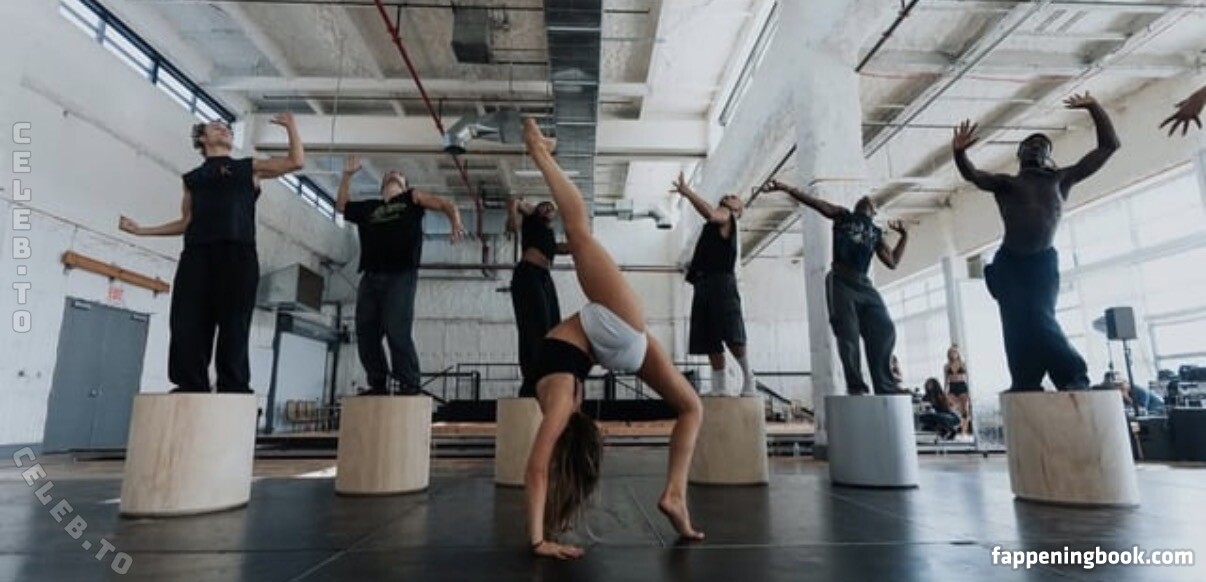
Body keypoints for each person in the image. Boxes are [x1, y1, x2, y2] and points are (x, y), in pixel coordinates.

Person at [520, 118, 704, 560]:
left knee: (692, 407)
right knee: (579, 231)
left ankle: (675, 496)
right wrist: (537, 540)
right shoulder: (556, 401)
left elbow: (541, 467)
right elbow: (537, 468)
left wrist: (540, 536)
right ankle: (538, 151)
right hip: (609, 331)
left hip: (612, 344)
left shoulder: (560, 403)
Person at [119, 114, 304, 393]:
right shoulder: (192, 179)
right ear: (202, 139)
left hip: (238, 254)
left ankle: (234, 386)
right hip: (197, 255)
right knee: (187, 321)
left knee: (234, 323)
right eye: (216, 127)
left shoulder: (247, 167)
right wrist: (142, 231)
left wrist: (291, 127)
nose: (224, 130)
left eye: (228, 128)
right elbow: (186, 222)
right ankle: (190, 384)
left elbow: (295, 162)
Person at [953, 92, 1119, 391]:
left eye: (1042, 145)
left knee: (1040, 318)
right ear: (1020, 155)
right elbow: (974, 176)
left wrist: (1094, 107)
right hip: (1010, 263)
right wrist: (959, 154)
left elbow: (1109, 146)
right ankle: (1025, 379)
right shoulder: (1007, 184)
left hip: (1041, 262)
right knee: (1015, 323)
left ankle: (1072, 375)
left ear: (1048, 156)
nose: (1036, 147)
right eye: (1030, 144)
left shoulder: (1061, 179)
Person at [759, 180, 909, 395]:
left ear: (874, 211)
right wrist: (787, 188)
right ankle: (856, 386)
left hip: (863, 283)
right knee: (848, 336)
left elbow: (893, 262)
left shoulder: (875, 233)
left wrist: (904, 236)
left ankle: (885, 385)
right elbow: (816, 203)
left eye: (870, 202)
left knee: (884, 328)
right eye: (864, 200)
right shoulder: (843, 215)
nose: (866, 200)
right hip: (841, 279)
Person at [336, 155, 466, 396]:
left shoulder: (411, 198)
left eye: (399, 174)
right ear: (381, 185)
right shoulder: (369, 207)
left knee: (396, 329)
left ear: (405, 186)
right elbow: (342, 207)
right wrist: (346, 176)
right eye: (389, 173)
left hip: (400, 275)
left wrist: (455, 222)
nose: (394, 172)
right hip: (371, 276)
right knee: (366, 333)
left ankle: (409, 383)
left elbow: (445, 204)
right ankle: (377, 384)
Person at [673, 173, 755, 397]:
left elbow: (710, 213)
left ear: (738, 209)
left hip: (721, 283)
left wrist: (687, 192)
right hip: (704, 283)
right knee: (708, 336)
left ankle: (749, 378)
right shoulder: (711, 228)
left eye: (734, 197)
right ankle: (720, 385)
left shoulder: (726, 215)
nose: (729, 195)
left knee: (730, 331)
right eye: (728, 195)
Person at [505, 197, 566, 398]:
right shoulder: (531, 216)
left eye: (552, 208)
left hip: (544, 277)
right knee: (535, 326)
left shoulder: (548, 235)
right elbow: (514, 201)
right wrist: (512, 217)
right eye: (545, 206)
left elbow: (561, 248)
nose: (548, 209)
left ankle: (547, 375)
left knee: (553, 326)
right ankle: (531, 381)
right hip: (529, 273)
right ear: (537, 208)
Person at [944, 344, 972, 435]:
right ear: (949, 354)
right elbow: (946, 380)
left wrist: (970, 391)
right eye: (951, 353)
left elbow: (968, 378)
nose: (953, 354)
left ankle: (964, 431)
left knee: (965, 410)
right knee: (952, 407)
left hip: (962, 386)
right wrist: (944, 391)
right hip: (952, 387)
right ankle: (958, 426)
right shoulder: (946, 366)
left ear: (958, 353)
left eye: (955, 352)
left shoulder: (963, 364)